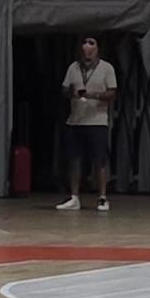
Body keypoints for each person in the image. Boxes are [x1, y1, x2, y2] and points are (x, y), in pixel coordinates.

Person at [57, 36, 118, 212]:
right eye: (84, 50)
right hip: (75, 120)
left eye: (91, 48)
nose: (87, 53)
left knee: (99, 160)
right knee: (74, 159)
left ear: (97, 50)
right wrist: (72, 92)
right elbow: (64, 90)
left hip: (97, 121)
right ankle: (74, 197)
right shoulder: (73, 68)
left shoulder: (107, 68)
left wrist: (94, 95)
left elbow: (112, 93)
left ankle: (102, 197)